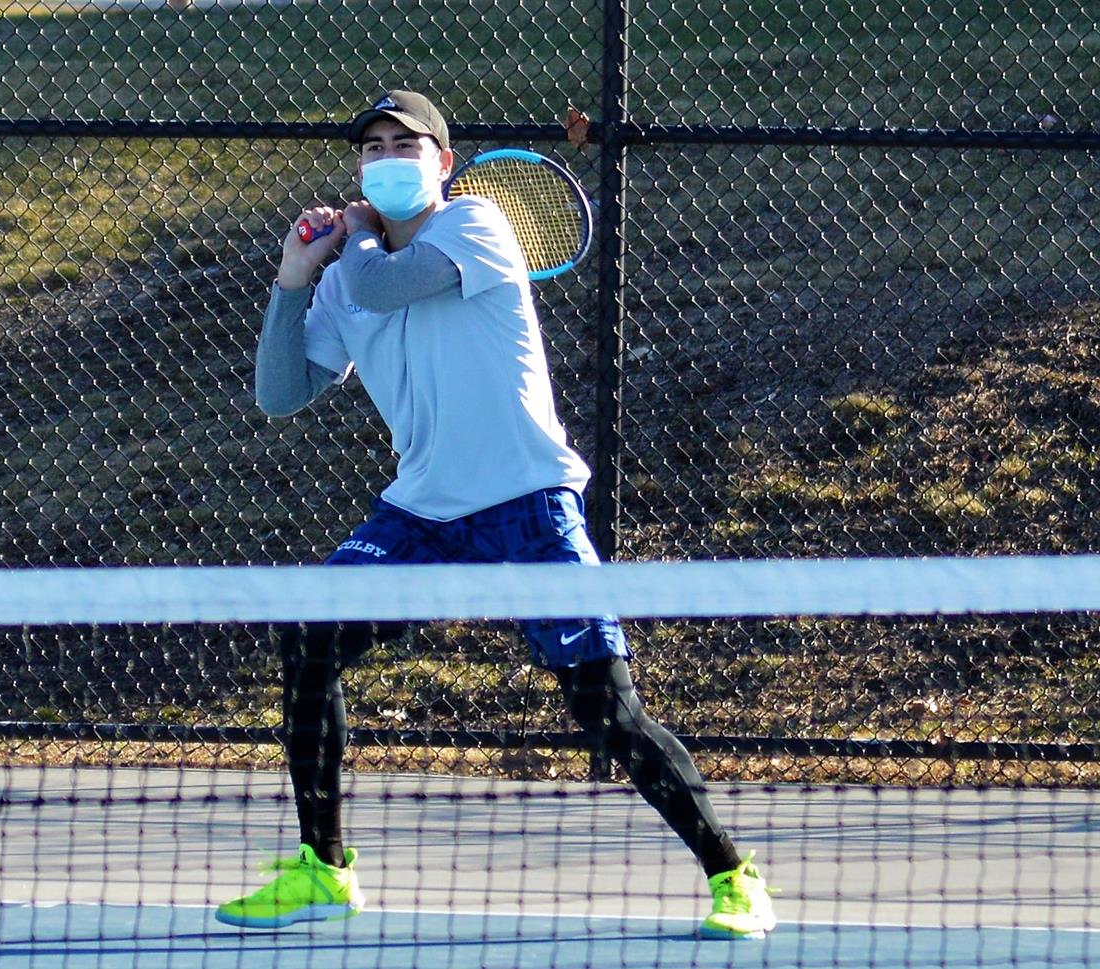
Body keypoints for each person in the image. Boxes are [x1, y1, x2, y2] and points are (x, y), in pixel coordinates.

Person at [218, 89, 776, 941]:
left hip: (527, 502)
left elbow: (382, 278)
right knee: (308, 636)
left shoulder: (474, 226)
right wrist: (293, 282)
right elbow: (280, 393)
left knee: (605, 708)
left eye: (405, 144)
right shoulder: (344, 281)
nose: (384, 158)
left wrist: (349, 240)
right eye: (370, 146)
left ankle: (733, 875)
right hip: (421, 515)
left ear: (443, 164)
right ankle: (322, 868)